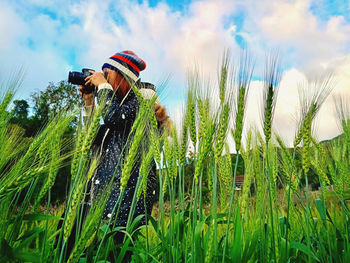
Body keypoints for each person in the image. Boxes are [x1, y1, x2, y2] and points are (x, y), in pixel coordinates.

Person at [80, 50, 169, 260]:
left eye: (107, 73)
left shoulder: (141, 104)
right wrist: (89, 101)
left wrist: (102, 87)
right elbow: (90, 141)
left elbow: (113, 117)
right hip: (101, 198)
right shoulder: (117, 109)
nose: (103, 78)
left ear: (121, 76)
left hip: (124, 202)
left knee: (115, 255)